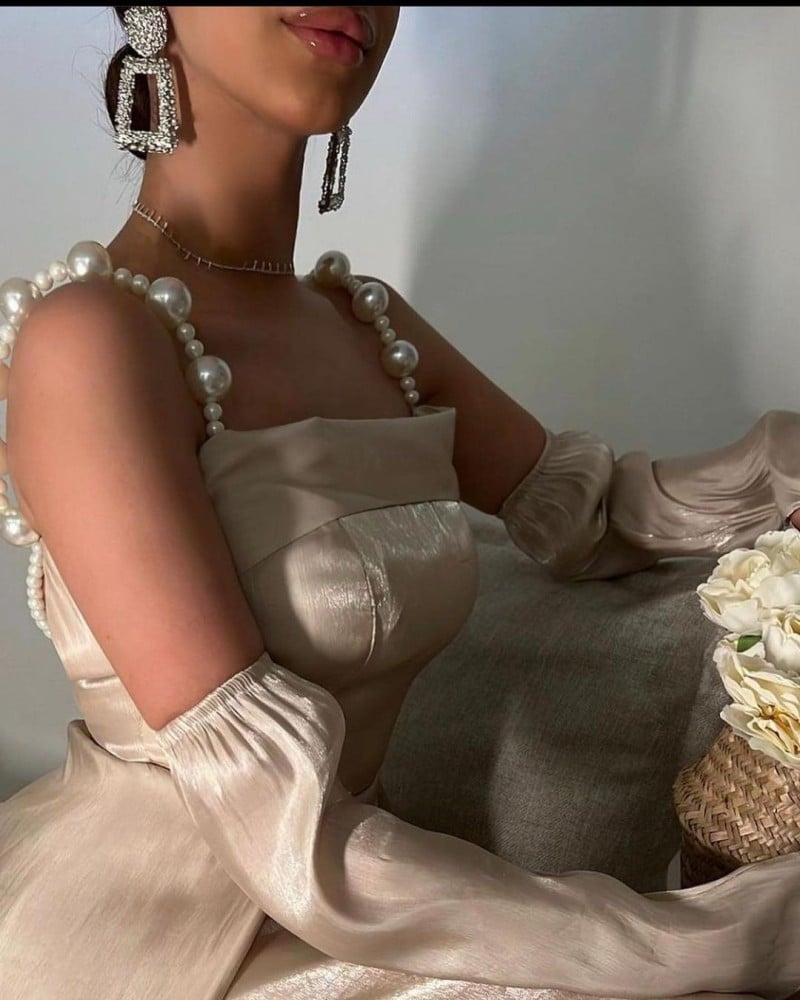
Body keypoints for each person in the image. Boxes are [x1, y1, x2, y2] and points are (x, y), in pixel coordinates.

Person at [0, 6, 799, 999]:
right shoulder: (89, 340)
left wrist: (783, 463)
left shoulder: (367, 327)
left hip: (371, 898)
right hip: (153, 939)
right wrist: (683, 940)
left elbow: (589, 515)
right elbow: (278, 820)